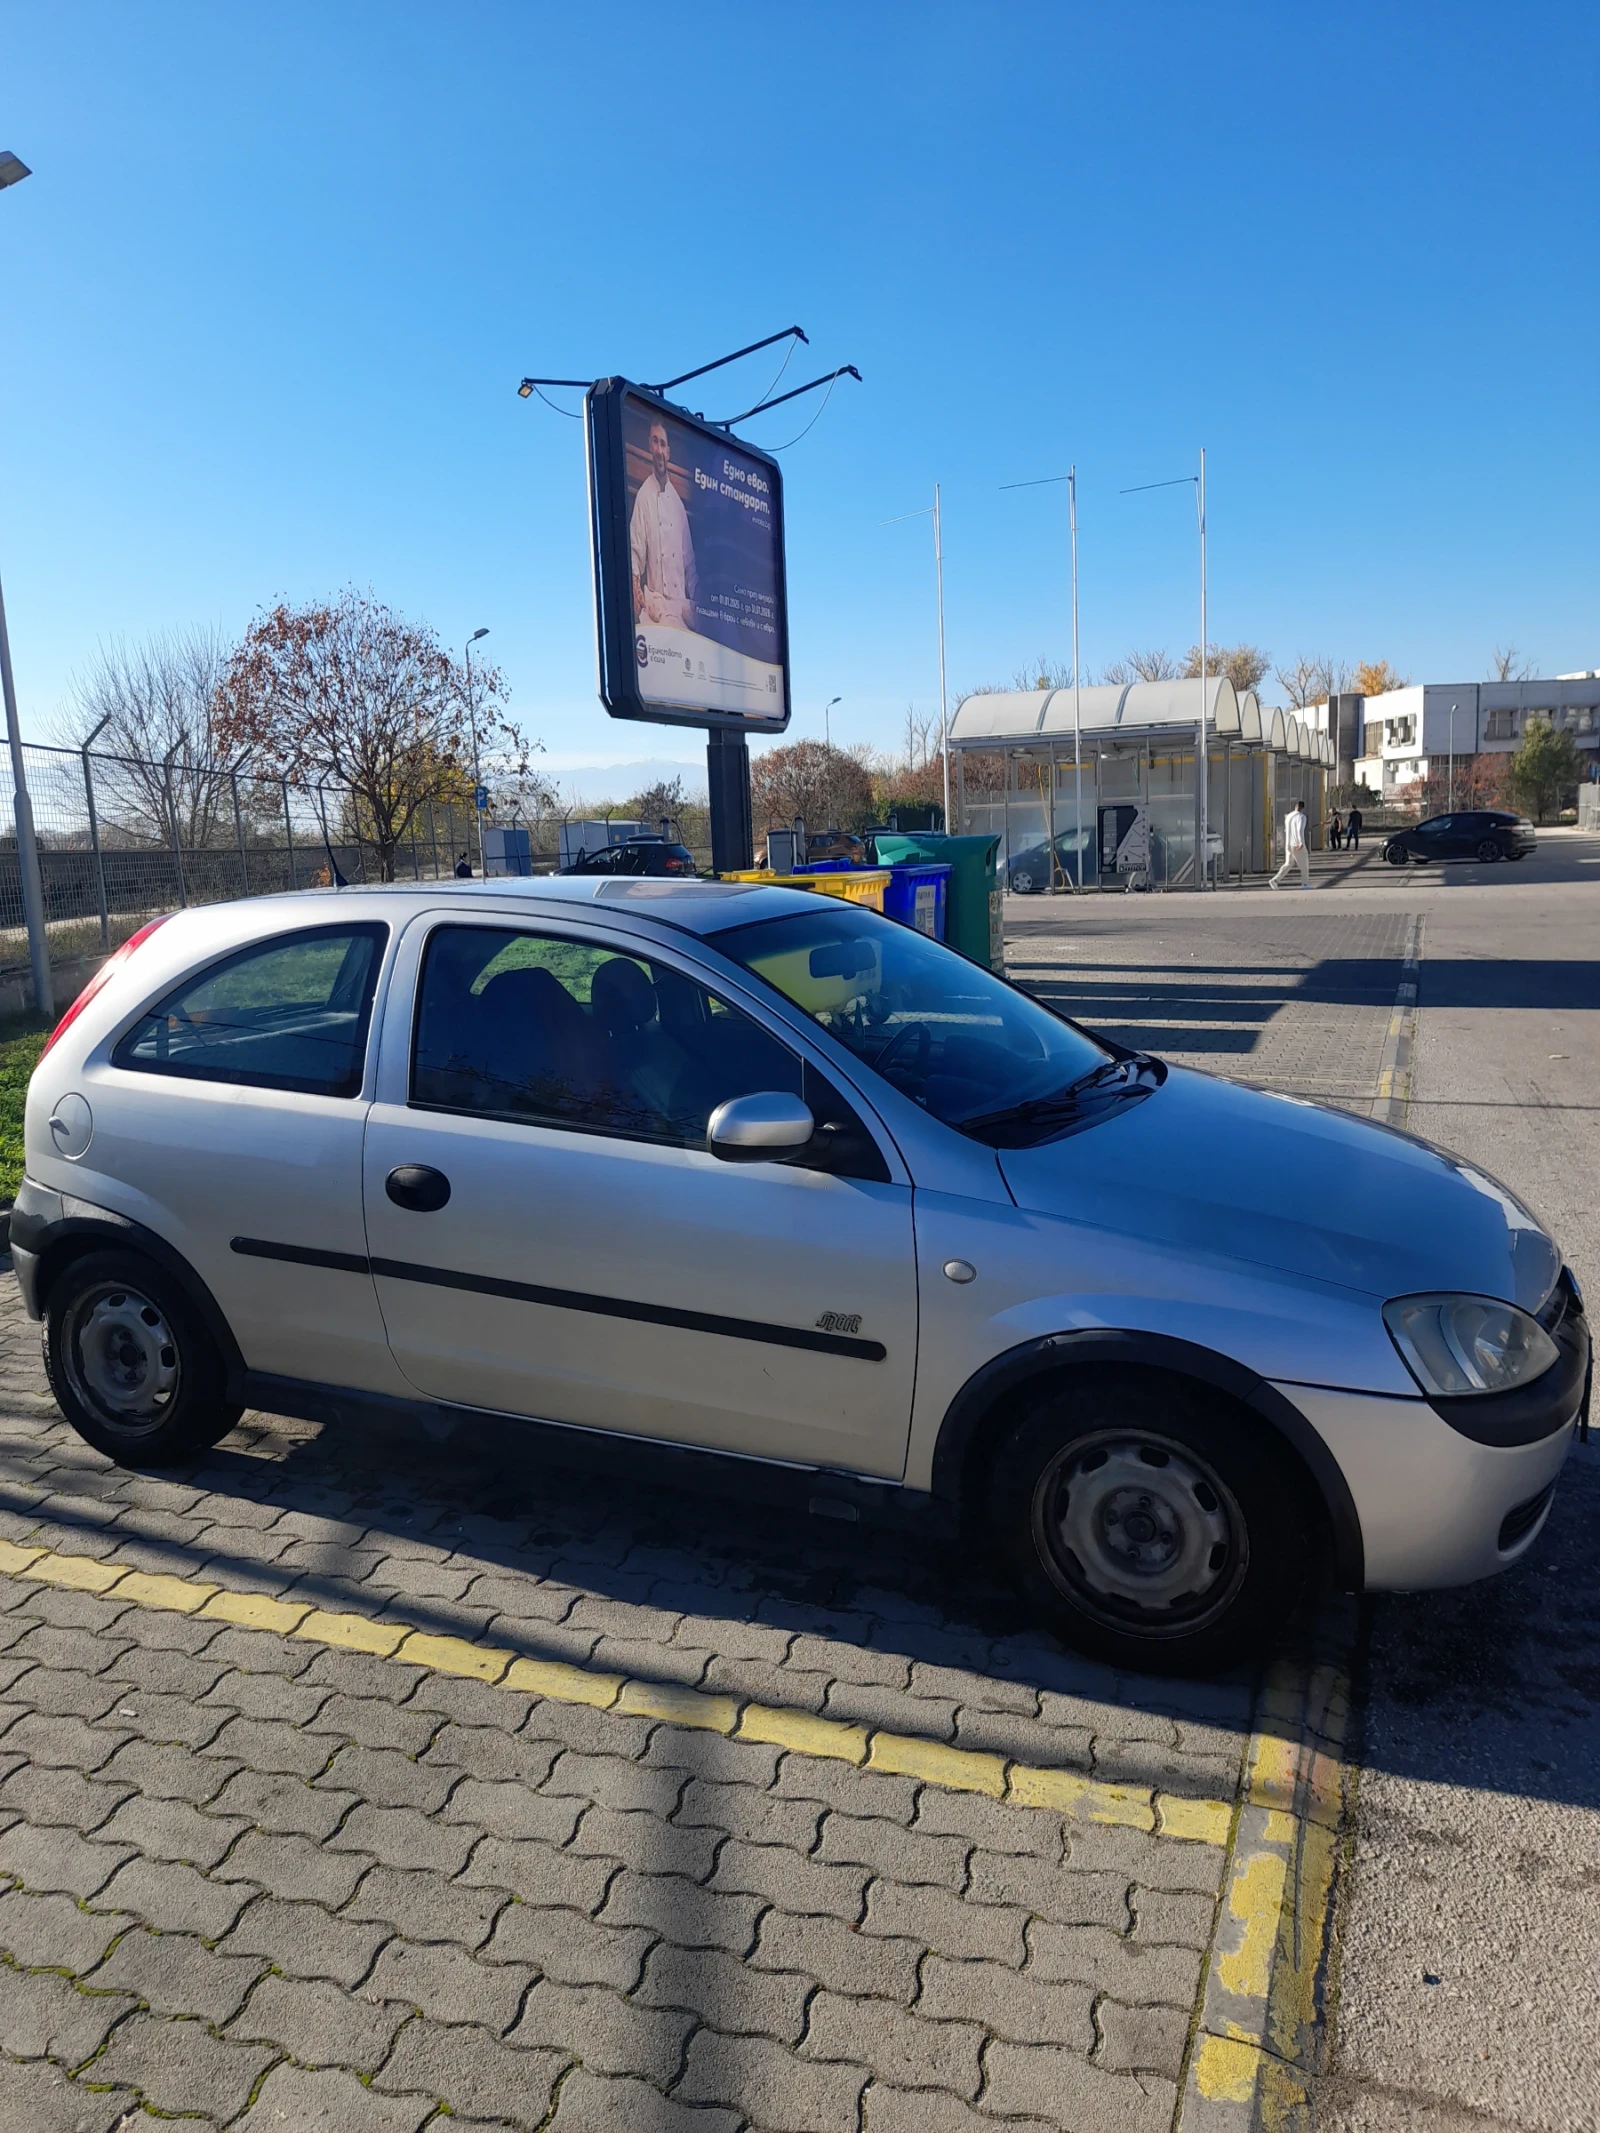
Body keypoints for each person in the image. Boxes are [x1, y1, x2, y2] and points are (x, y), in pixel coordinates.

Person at [629, 417, 697, 630]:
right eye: (655, 442)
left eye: (663, 444)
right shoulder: (644, 496)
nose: (659, 450)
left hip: (682, 610)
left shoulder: (677, 505)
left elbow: (690, 565)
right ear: (650, 446)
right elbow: (635, 552)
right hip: (655, 610)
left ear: (668, 452)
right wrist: (634, 585)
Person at [1270, 798, 1311, 889]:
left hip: (1288, 844)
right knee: (1304, 864)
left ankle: (1275, 880)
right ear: (1303, 808)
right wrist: (1300, 842)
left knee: (1288, 863)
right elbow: (1300, 830)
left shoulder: (1289, 816)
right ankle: (1305, 884)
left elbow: (1286, 829)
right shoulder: (1302, 817)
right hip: (1296, 844)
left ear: (1295, 806)